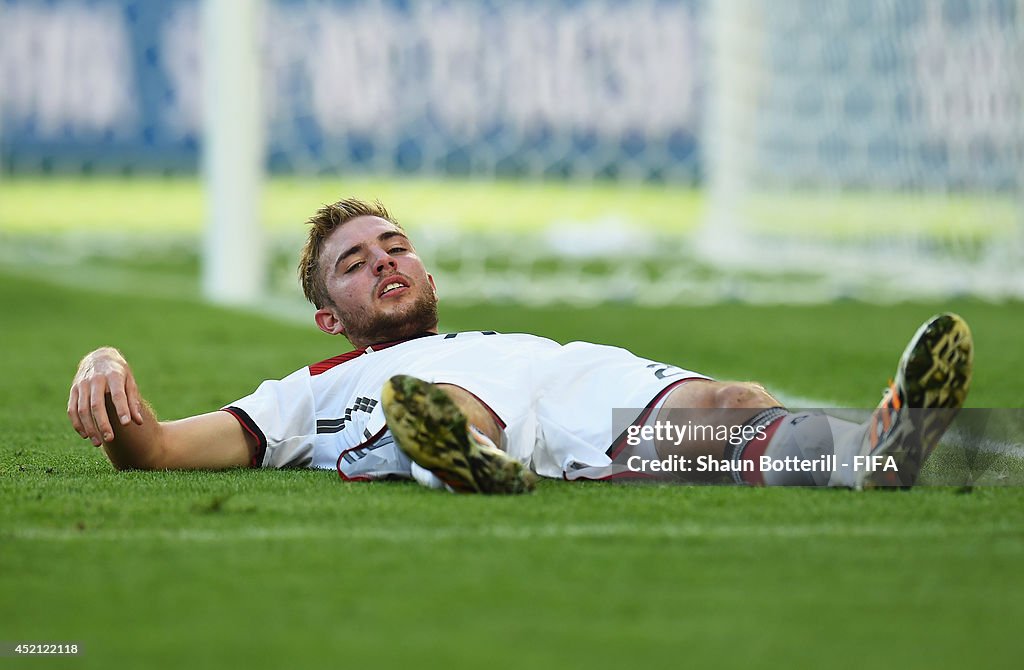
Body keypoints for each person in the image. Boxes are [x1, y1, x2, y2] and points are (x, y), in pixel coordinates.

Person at [67, 198, 974, 494]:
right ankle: (460, 453)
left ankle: (879, 453)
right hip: (455, 404)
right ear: (329, 318)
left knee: (735, 406)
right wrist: (103, 367)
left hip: (574, 385)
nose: (387, 262)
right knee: (440, 403)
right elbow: (158, 448)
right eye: (355, 262)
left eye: (396, 247)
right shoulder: (301, 391)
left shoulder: (499, 336)